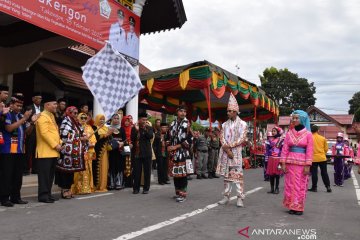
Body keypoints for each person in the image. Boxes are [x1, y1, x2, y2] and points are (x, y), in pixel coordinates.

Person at [0, 94, 36, 207]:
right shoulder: (7, 114)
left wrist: (32, 123)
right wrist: (24, 118)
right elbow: (9, 128)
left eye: (21, 106)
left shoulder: (20, 115)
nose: (20, 108)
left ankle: (16, 197)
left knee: (17, 176)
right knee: (7, 175)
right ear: (11, 104)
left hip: (19, 150)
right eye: (17, 105)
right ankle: (4, 198)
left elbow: (27, 132)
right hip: (7, 150)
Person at [216, 93, 248, 207]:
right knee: (226, 176)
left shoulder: (243, 124)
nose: (228, 113)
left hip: (236, 153)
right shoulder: (224, 124)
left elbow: (242, 138)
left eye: (230, 111)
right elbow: (221, 137)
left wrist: (229, 147)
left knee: (237, 176)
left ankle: (240, 198)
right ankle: (226, 196)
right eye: (227, 111)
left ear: (235, 111)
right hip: (226, 152)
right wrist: (226, 148)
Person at [280, 110, 313, 215]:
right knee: (289, 184)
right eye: (293, 118)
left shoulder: (308, 134)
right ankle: (291, 205)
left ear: (302, 119)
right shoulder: (289, 133)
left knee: (300, 184)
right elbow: (285, 148)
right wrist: (283, 163)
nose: (294, 120)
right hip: (290, 162)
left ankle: (298, 207)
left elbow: (310, 150)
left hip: (302, 163)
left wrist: (308, 165)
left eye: (296, 118)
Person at [35, 94, 62, 203]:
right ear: (47, 105)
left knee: (50, 176)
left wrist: (60, 142)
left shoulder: (51, 115)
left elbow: (55, 132)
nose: (56, 105)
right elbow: (44, 133)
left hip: (53, 151)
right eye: (54, 104)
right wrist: (56, 145)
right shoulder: (42, 116)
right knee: (44, 176)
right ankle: (43, 195)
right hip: (44, 152)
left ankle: (48, 193)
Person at [56, 106, 86, 199]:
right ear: (69, 113)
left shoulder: (75, 122)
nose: (76, 115)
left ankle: (68, 189)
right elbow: (64, 135)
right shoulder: (66, 121)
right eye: (74, 113)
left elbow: (79, 132)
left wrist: (83, 136)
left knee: (70, 171)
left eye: (77, 113)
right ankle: (64, 190)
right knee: (65, 171)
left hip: (73, 151)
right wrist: (80, 138)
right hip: (65, 151)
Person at [168, 105, 192, 203]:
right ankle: (178, 192)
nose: (183, 113)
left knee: (182, 174)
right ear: (177, 112)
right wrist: (168, 145)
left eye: (185, 112)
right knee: (176, 173)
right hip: (173, 153)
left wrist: (176, 146)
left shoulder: (187, 124)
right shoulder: (172, 123)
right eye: (181, 111)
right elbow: (168, 137)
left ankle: (183, 194)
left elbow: (190, 139)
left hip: (182, 153)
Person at [71, 113, 97, 195]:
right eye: (81, 117)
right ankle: (78, 188)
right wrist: (81, 140)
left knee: (87, 170)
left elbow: (94, 139)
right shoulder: (75, 128)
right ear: (78, 118)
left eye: (85, 118)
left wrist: (90, 143)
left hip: (88, 152)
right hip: (78, 152)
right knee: (78, 171)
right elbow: (72, 138)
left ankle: (87, 188)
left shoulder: (89, 128)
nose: (83, 119)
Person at [131, 112, 154, 194]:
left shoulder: (149, 128)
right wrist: (137, 130)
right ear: (139, 120)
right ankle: (136, 188)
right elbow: (132, 138)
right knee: (137, 171)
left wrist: (144, 129)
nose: (144, 121)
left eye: (145, 120)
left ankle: (146, 188)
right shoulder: (134, 128)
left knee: (147, 171)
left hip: (147, 153)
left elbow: (150, 136)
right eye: (143, 120)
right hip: (137, 153)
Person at [308, 125, 331, 193]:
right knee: (324, 173)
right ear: (317, 130)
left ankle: (314, 187)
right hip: (322, 157)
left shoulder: (309, 138)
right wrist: (322, 153)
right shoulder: (322, 138)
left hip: (313, 158)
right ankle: (328, 186)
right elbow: (326, 149)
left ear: (311, 130)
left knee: (314, 173)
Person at [92, 114, 113, 192]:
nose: (102, 121)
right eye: (100, 119)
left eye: (103, 119)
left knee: (104, 167)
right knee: (97, 167)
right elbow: (95, 138)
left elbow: (110, 138)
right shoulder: (94, 128)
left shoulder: (106, 128)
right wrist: (106, 135)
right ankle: (96, 185)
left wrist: (109, 135)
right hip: (98, 151)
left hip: (105, 151)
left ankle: (103, 185)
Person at [24, 92, 43, 175]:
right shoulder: (29, 107)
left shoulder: (43, 109)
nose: (39, 100)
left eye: (40, 98)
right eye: (37, 98)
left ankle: (35, 169)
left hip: (40, 132)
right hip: (31, 131)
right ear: (33, 99)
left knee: (37, 151)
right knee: (29, 150)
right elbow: (26, 120)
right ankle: (26, 169)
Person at [108, 114, 126, 190]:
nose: (116, 120)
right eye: (114, 118)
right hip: (112, 151)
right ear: (112, 119)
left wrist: (122, 143)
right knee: (112, 166)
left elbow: (125, 139)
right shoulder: (109, 128)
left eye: (117, 118)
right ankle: (111, 183)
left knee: (119, 166)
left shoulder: (122, 129)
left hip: (120, 151)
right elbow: (107, 139)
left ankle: (119, 183)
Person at [265, 126, 284, 194]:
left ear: (278, 132)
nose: (273, 132)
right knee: (271, 174)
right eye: (272, 131)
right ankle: (272, 189)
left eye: (275, 131)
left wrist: (282, 159)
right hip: (270, 159)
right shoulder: (269, 140)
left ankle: (277, 188)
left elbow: (282, 150)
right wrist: (266, 158)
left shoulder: (281, 140)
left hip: (278, 159)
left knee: (277, 174)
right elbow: (267, 150)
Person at [120, 115, 133, 187]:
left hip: (130, 147)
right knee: (124, 163)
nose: (127, 122)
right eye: (125, 121)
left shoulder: (131, 128)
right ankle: (123, 181)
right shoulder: (121, 129)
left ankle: (129, 182)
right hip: (123, 147)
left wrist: (131, 144)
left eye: (128, 121)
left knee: (130, 164)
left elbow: (133, 138)